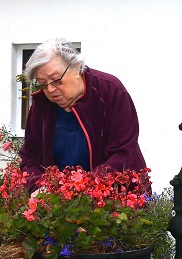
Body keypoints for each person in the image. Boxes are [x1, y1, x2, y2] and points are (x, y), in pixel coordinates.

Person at [19, 38, 147, 194]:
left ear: (77, 68)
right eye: (43, 83)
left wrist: (80, 188)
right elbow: (30, 158)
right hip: (63, 206)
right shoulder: (42, 105)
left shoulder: (110, 91)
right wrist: (39, 187)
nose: (50, 90)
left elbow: (122, 154)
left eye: (56, 80)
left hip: (118, 200)